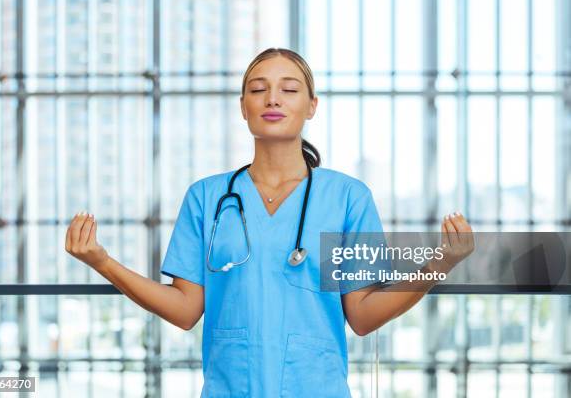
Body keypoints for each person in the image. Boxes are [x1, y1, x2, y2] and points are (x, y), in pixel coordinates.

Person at [65, 48, 475, 397]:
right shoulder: (207, 198)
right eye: (258, 90)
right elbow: (186, 309)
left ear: (311, 105)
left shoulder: (348, 198)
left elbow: (363, 316)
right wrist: (103, 262)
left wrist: (440, 263)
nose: (272, 99)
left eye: (289, 90)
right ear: (243, 107)